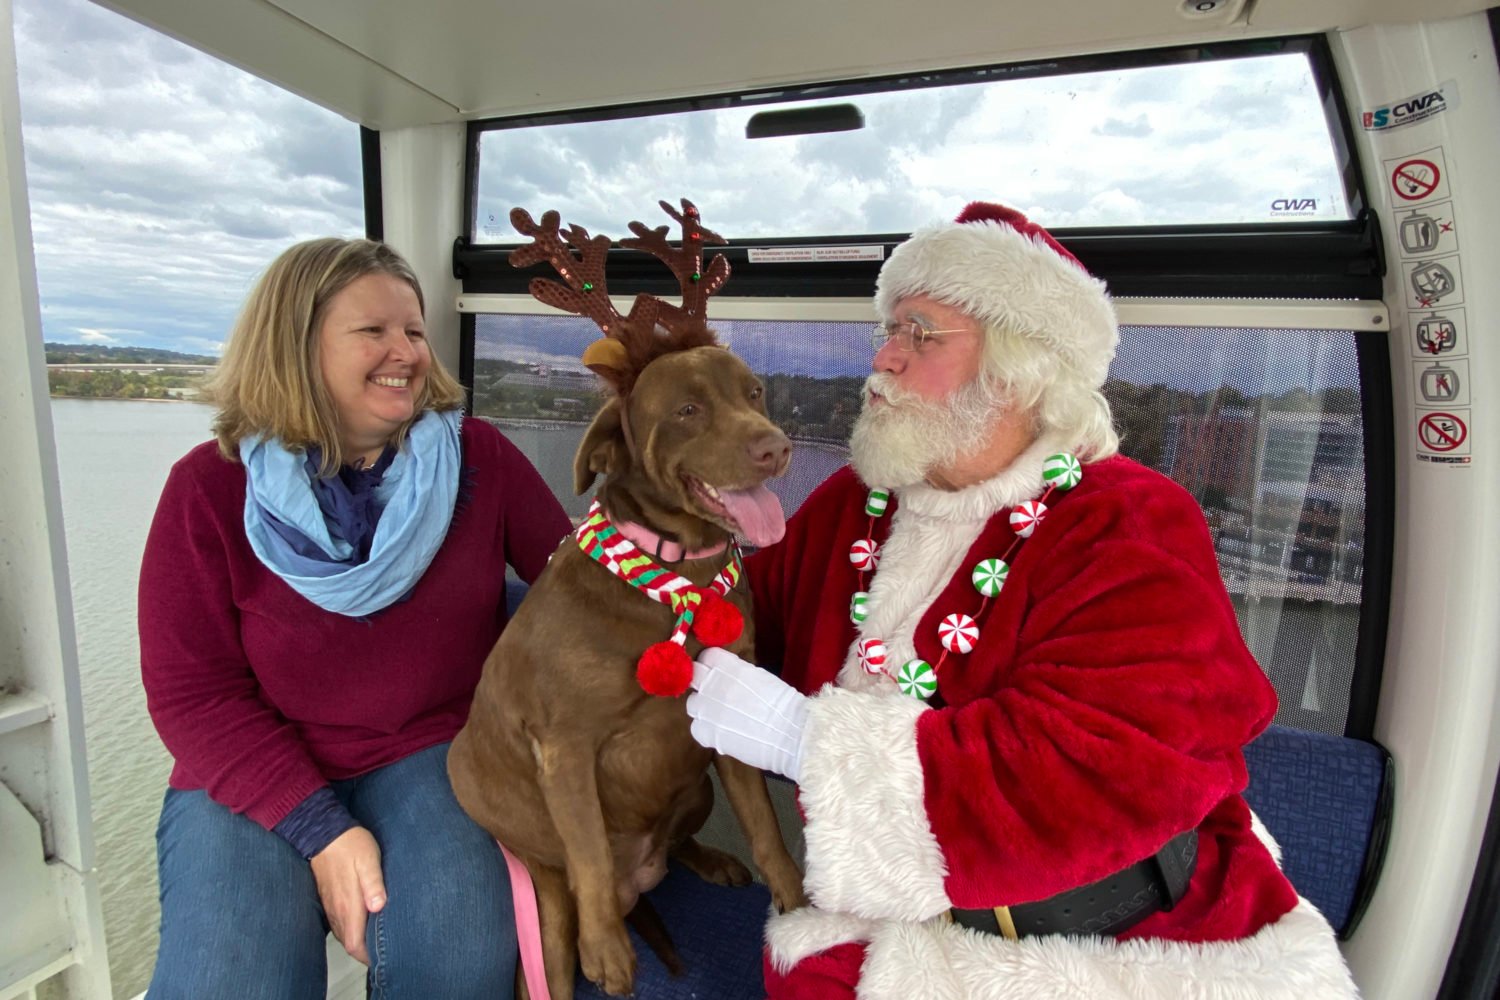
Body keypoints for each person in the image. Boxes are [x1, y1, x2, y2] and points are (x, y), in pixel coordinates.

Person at [683, 203, 1359, 999]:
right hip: (889, 938)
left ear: (1017, 368)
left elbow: (1103, 767)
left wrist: (803, 740)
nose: (883, 359)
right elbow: (728, 610)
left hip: (1118, 951)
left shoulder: (1130, 518)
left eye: (920, 334)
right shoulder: (855, 501)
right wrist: (633, 550)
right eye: (889, 329)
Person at [138, 237, 570, 998]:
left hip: (430, 750)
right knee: (232, 984)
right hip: (248, 766)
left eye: (413, 330)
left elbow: (580, 580)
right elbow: (192, 696)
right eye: (373, 331)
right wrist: (321, 831)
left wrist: (681, 546)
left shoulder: (480, 458)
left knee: (462, 962)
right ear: (295, 345)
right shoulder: (207, 490)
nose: (404, 350)